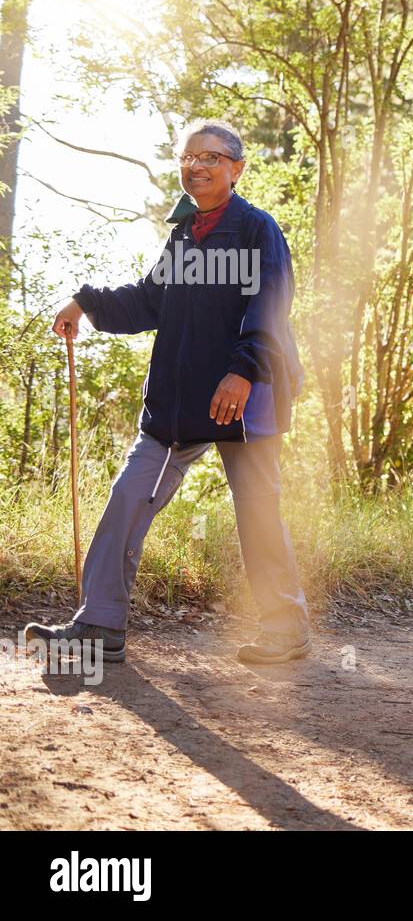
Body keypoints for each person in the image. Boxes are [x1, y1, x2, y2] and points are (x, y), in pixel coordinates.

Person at [30, 118, 310, 665]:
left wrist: (243, 370)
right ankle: (99, 625)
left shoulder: (257, 229)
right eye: (188, 157)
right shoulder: (183, 233)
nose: (196, 166)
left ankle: (285, 628)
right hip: (179, 403)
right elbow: (149, 301)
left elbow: (271, 304)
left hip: (245, 400)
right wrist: (87, 302)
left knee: (257, 513)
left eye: (210, 157)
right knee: (129, 496)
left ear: (236, 168)